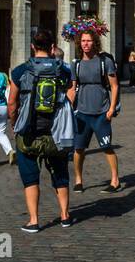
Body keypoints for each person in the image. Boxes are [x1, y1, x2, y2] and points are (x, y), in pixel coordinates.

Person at [8, 28, 74, 233]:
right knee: (60, 173)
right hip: (56, 131)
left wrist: (14, 121)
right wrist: (66, 108)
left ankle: (34, 220)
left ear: (32, 47)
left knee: (30, 176)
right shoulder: (63, 69)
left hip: (29, 130)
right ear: (53, 47)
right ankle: (64, 216)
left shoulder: (19, 71)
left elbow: (12, 102)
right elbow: (72, 88)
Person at [71, 32, 123, 194]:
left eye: (89, 41)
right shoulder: (76, 64)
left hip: (101, 112)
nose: (86, 44)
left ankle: (115, 180)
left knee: (107, 147)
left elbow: (114, 86)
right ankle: (78, 179)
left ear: (95, 42)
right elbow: (72, 88)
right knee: (78, 148)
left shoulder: (104, 61)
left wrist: (111, 108)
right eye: (83, 41)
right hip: (82, 113)